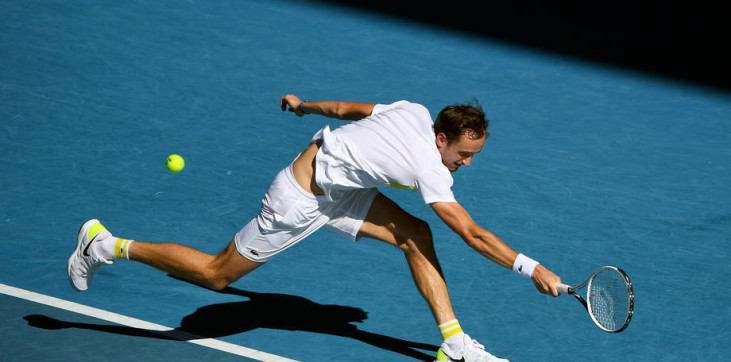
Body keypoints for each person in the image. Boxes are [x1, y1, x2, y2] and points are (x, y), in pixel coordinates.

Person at [68, 94, 562, 362]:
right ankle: (106, 244)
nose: (467, 164)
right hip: (299, 200)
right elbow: (471, 233)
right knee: (218, 275)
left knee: (416, 234)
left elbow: (350, 110)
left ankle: (453, 342)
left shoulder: (411, 109)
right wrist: (530, 267)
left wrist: (305, 106)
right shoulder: (429, 168)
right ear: (441, 138)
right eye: (463, 155)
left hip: (341, 186)